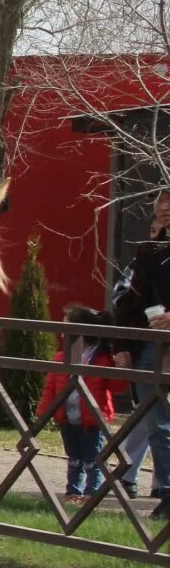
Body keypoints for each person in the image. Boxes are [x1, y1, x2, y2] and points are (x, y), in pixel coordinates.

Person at [109, 187, 170, 518]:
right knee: (158, 425)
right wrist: (121, 346)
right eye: (161, 201)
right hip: (150, 348)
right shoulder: (149, 251)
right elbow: (128, 302)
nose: (165, 207)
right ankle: (167, 493)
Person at [38, 305, 123, 503]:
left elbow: (116, 386)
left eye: (67, 328)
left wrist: (121, 369)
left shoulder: (101, 360)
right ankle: (73, 490)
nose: (62, 333)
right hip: (68, 417)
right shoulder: (61, 358)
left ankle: (92, 493)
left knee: (93, 459)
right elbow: (50, 387)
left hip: (92, 420)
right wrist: (44, 411)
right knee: (74, 457)